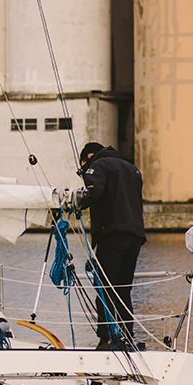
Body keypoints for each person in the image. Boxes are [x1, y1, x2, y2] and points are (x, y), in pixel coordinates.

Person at [75, 142, 147, 350]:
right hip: (135, 236)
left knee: (105, 288)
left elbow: (94, 191)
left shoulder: (99, 165)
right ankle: (126, 336)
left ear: (89, 155)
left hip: (112, 234)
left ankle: (106, 339)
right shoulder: (131, 168)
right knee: (123, 290)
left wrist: (75, 202)